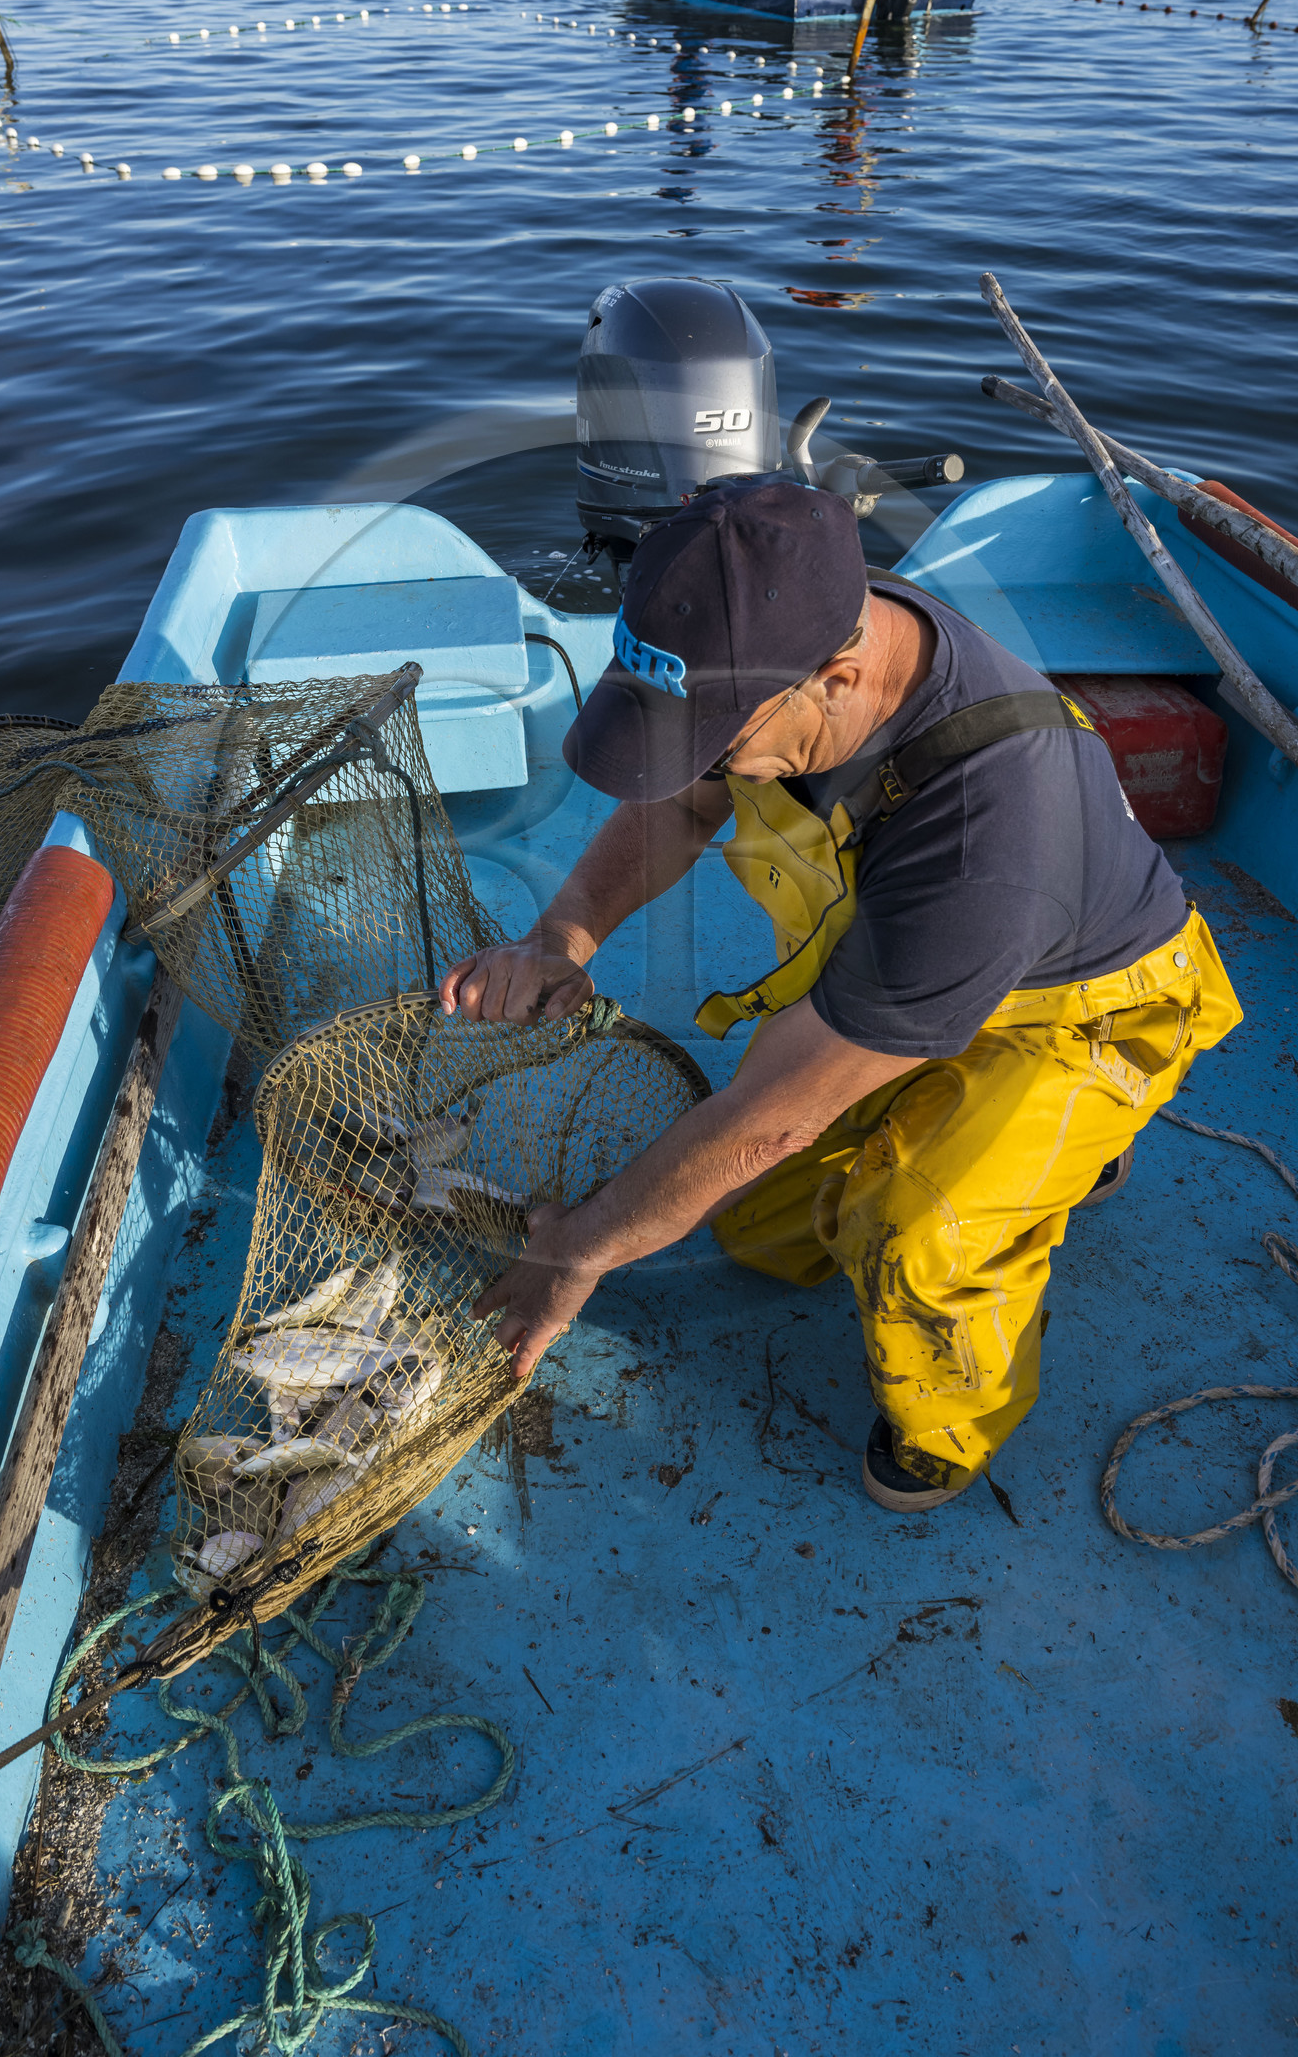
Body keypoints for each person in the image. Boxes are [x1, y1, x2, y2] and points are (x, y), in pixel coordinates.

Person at [440, 477, 1242, 1517]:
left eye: (716, 740)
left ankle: (952, 1421)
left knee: (914, 1240)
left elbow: (767, 1123)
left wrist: (573, 1254)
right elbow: (683, 807)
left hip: (1075, 1008)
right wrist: (562, 935)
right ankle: (1022, 1137)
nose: (700, 766)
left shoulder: (984, 838)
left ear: (839, 677)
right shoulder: (787, 631)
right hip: (909, 953)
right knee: (761, 1234)